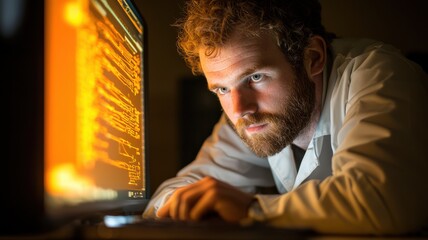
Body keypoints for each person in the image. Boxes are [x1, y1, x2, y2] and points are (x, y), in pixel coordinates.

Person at [143, 0, 428, 235]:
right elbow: (173, 192)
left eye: (255, 77)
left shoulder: (380, 75)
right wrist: (181, 206)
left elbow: (382, 201)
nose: (239, 108)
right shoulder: (248, 116)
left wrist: (251, 210)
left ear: (312, 58)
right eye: (221, 88)